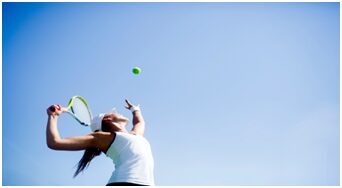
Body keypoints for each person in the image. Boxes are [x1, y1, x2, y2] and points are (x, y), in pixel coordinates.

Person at [46, 99, 155, 186]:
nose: (117, 112)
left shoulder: (135, 135)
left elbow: (139, 122)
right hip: (124, 182)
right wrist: (53, 116)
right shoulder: (104, 138)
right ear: (107, 119)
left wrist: (135, 109)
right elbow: (55, 142)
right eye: (113, 112)